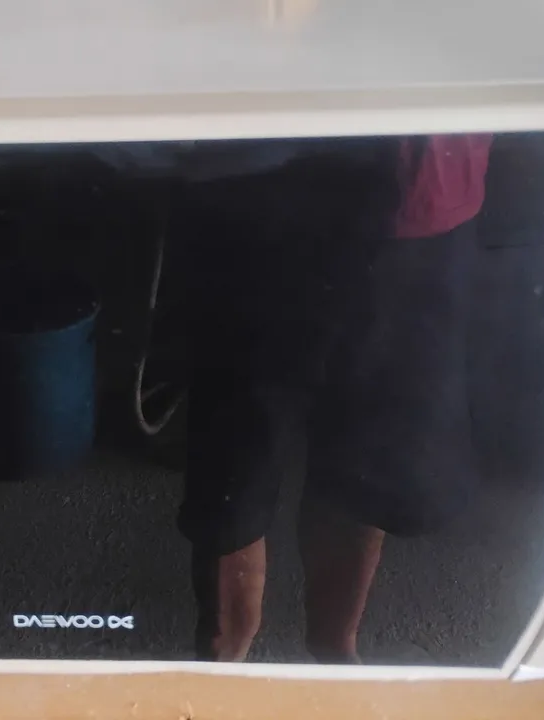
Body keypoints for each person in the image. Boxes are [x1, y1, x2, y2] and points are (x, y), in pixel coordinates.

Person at [179, 133, 493, 662]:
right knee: (237, 458)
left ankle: (334, 658)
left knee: (369, 453)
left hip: (419, 190)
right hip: (258, 188)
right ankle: (222, 667)